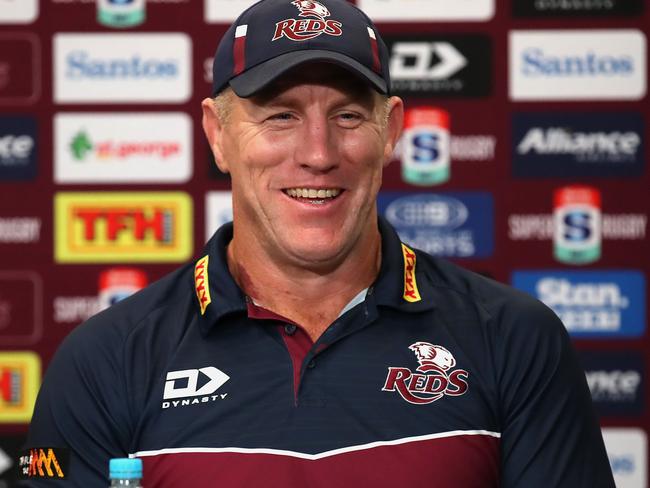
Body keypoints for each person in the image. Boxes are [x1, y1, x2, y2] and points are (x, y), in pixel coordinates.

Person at [21, 0, 615, 486]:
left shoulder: (516, 339)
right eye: (279, 115)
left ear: (393, 131)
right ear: (217, 135)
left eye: (349, 116)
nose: (319, 153)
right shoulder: (102, 361)